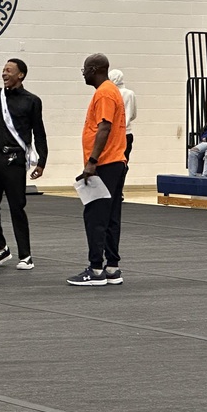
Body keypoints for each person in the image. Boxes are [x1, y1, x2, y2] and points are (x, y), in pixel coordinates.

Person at [0, 50, 48, 271]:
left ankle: (26, 255)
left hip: (16, 158)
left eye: (8, 70)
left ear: (20, 75)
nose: (4, 73)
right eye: (3, 70)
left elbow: (39, 132)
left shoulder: (32, 101)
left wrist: (42, 161)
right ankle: (0, 248)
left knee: (17, 207)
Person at [67, 53, 127, 288]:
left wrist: (92, 161)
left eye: (84, 69)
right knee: (111, 217)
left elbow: (104, 127)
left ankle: (95, 269)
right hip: (114, 162)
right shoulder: (110, 91)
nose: (83, 73)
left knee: (95, 217)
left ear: (94, 69)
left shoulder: (104, 92)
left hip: (104, 163)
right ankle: (112, 267)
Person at [109, 68, 138, 161]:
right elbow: (133, 114)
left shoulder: (110, 93)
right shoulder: (130, 94)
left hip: (113, 134)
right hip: (127, 132)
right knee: (124, 161)